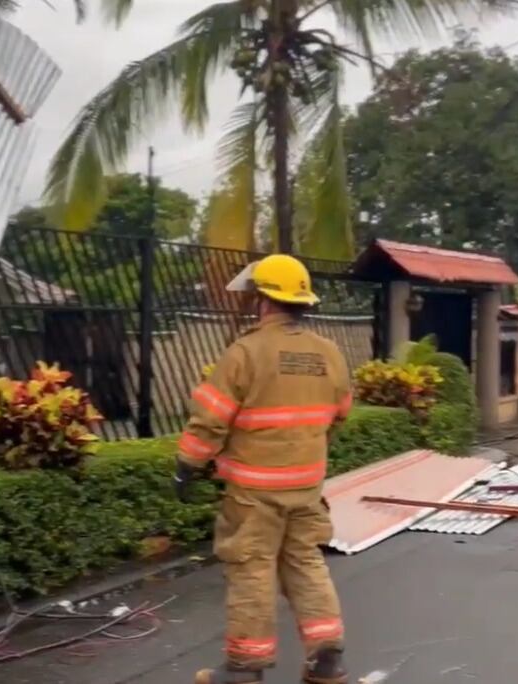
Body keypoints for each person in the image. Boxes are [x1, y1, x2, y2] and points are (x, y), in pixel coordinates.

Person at [173, 255, 353, 684]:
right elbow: (339, 414)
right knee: (306, 564)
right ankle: (326, 661)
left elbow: (210, 420)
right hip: (306, 488)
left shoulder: (245, 353)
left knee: (252, 568)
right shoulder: (329, 353)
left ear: (263, 300)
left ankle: (244, 668)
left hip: (252, 492)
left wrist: (187, 466)